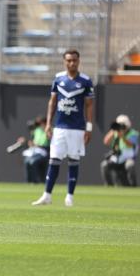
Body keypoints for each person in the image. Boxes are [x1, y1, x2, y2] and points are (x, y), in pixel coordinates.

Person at [32, 49, 94, 207]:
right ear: (64, 62)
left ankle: (70, 197)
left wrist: (89, 128)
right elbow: (52, 102)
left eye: (74, 60)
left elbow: (89, 105)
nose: (72, 63)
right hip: (59, 127)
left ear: (78, 61)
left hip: (77, 128)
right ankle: (47, 195)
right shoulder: (58, 79)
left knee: (74, 160)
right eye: (69, 60)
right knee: (54, 160)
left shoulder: (86, 81)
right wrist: (48, 124)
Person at [100, 114, 138, 187]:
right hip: (117, 158)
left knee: (130, 165)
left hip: (128, 159)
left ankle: (134, 187)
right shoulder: (115, 132)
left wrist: (123, 136)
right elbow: (106, 141)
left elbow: (130, 144)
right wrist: (113, 130)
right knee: (104, 165)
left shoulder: (134, 133)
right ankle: (109, 186)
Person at [21, 116, 49, 183]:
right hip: (35, 151)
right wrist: (28, 142)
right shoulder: (37, 130)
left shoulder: (49, 130)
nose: (38, 125)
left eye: (40, 123)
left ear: (44, 123)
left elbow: (46, 143)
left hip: (44, 152)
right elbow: (33, 141)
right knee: (27, 161)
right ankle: (29, 182)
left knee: (33, 161)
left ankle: (36, 182)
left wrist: (37, 145)